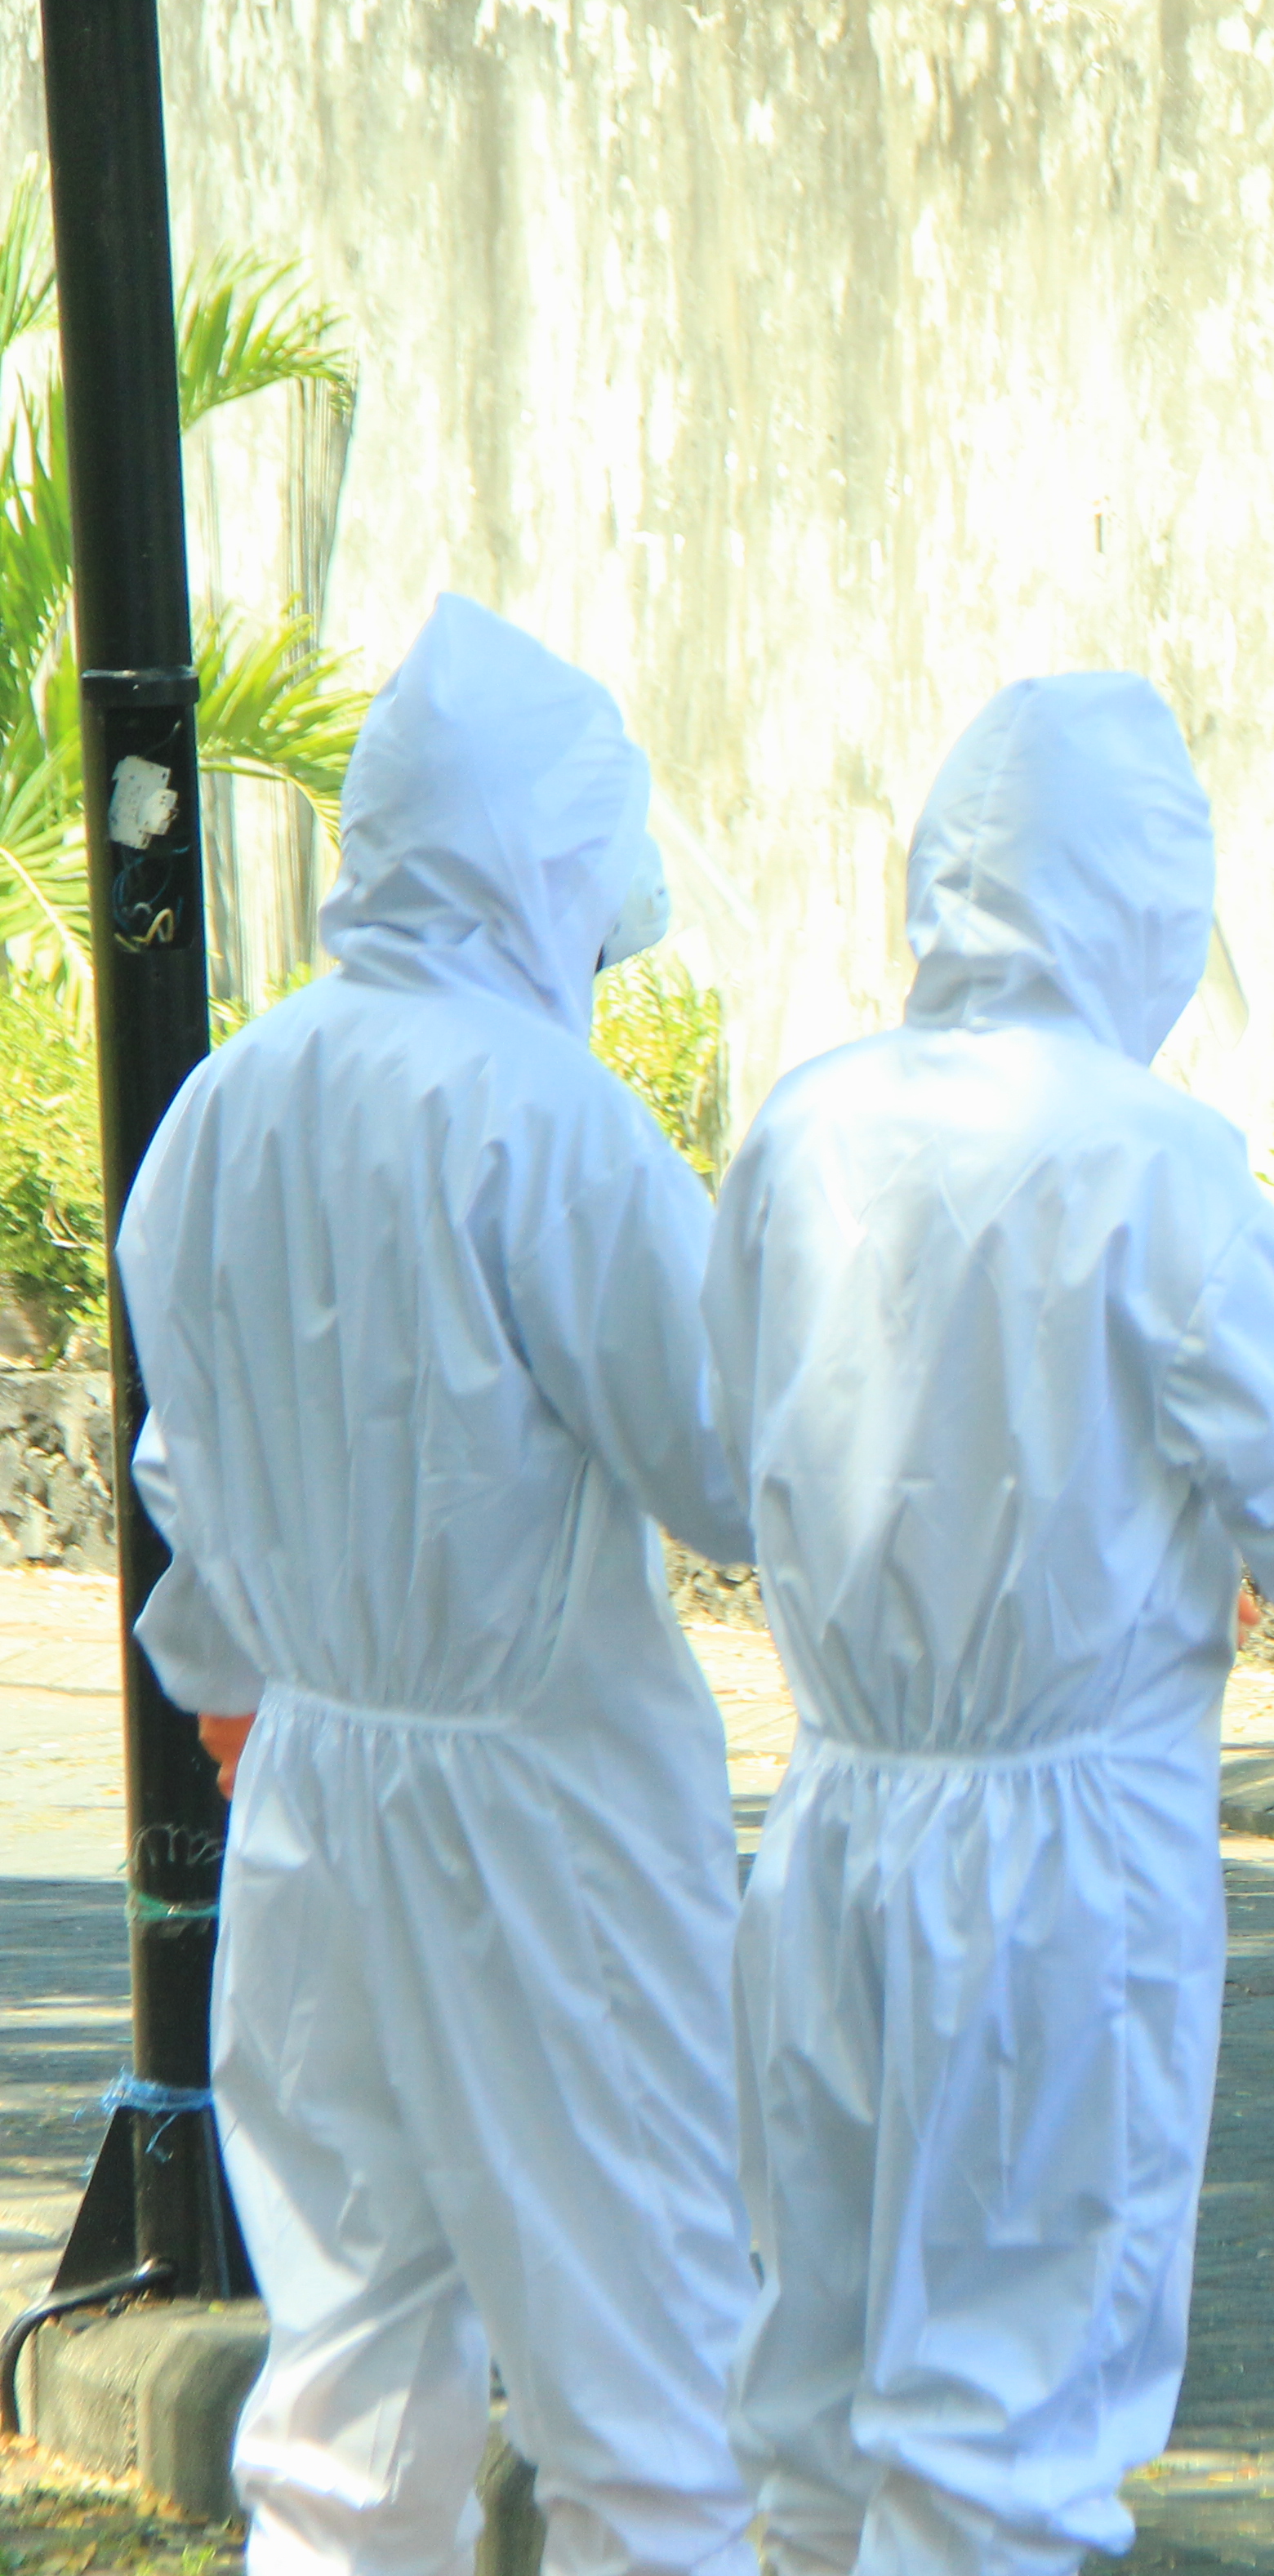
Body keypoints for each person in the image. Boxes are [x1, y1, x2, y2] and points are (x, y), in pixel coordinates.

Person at [708, 674, 1274, 2576]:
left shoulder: (812, 1118)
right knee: (1011, 2382)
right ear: (1145, 897)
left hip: (830, 1825)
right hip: (1059, 1852)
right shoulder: (1153, 1157)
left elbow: (713, 1438)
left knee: (816, 2374)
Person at [114, 596, 764, 2576]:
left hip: (314, 1797)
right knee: (641, 2365)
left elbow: (182, 1473)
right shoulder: (552, 1118)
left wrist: (249, 1679)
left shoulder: (228, 1105)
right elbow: (726, 1463)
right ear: (541, 864)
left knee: (349, 2363)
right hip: (544, 1812)